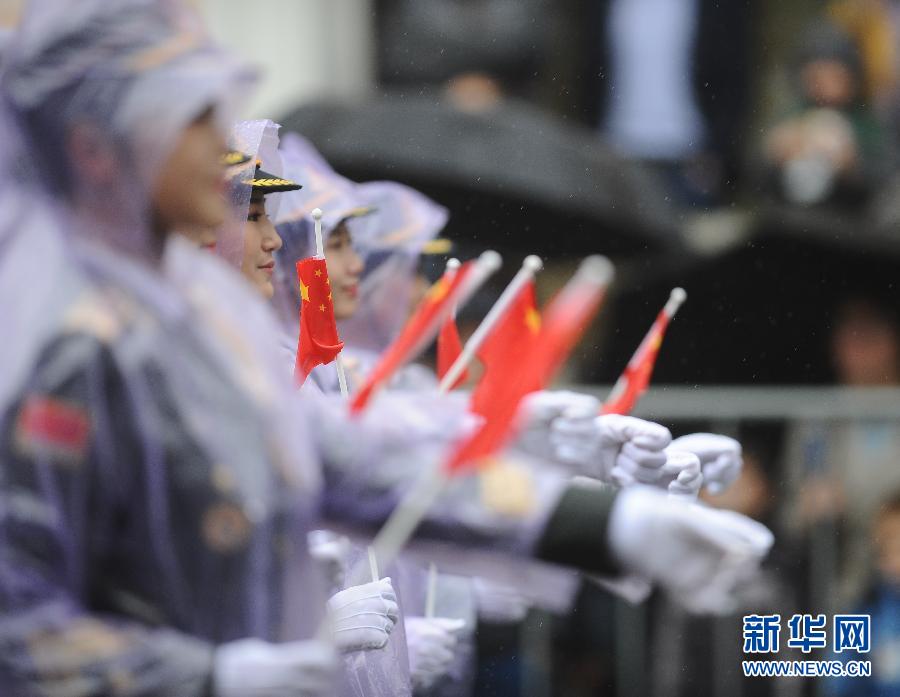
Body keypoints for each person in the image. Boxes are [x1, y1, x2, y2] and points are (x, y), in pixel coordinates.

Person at [0, 5, 776, 697]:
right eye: (191, 116)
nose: (218, 143)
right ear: (98, 143)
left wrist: (603, 518)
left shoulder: (180, 316)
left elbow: (352, 458)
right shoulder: (56, 334)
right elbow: (20, 617)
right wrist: (218, 674)